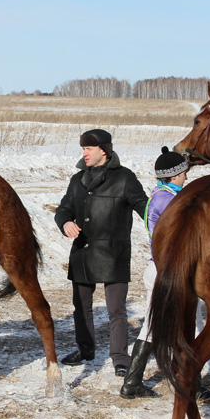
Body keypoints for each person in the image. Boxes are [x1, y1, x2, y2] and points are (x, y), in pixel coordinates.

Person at [54, 129, 148, 376]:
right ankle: (85, 349)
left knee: (116, 309)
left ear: (103, 151)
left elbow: (145, 208)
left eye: (88, 149)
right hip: (83, 251)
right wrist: (65, 223)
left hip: (114, 252)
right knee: (81, 305)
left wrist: (162, 224)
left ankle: (120, 358)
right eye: (83, 149)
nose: (84, 153)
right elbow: (64, 209)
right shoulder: (77, 180)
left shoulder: (125, 178)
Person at [120, 146, 188, 398]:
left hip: (160, 269)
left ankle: (131, 383)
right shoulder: (167, 199)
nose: (186, 177)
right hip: (168, 271)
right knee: (195, 325)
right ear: (173, 176)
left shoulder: (162, 194)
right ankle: (192, 382)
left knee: (151, 325)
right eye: (183, 173)